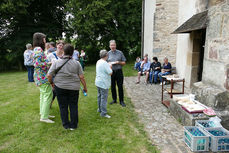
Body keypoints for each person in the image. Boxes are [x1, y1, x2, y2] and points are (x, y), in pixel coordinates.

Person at [47, 44, 87, 130]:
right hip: (74, 88)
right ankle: (74, 125)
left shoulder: (56, 62)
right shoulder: (77, 63)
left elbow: (49, 75)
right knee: (73, 105)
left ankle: (66, 125)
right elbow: (81, 77)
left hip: (60, 87)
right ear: (72, 53)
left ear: (63, 51)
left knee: (63, 106)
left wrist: (52, 83)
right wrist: (85, 87)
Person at [33, 32, 54, 123]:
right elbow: (37, 64)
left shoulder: (37, 49)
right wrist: (49, 63)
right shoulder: (38, 49)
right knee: (48, 94)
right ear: (40, 39)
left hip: (40, 76)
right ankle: (44, 117)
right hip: (42, 76)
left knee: (43, 95)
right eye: (44, 39)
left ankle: (44, 113)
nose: (45, 40)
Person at [107, 40, 126, 107]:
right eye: (111, 45)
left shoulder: (120, 53)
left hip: (119, 71)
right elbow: (105, 63)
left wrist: (119, 62)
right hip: (111, 72)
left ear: (115, 45)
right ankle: (114, 99)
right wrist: (108, 64)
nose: (113, 46)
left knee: (120, 86)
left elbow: (124, 62)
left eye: (114, 45)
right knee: (112, 86)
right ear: (109, 46)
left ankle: (121, 101)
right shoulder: (108, 53)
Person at [95, 50, 113, 118]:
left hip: (98, 82)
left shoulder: (98, 61)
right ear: (106, 56)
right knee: (104, 98)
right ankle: (103, 113)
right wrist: (110, 66)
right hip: (103, 83)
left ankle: (100, 109)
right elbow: (110, 73)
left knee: (99, 96)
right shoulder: (105, 63)